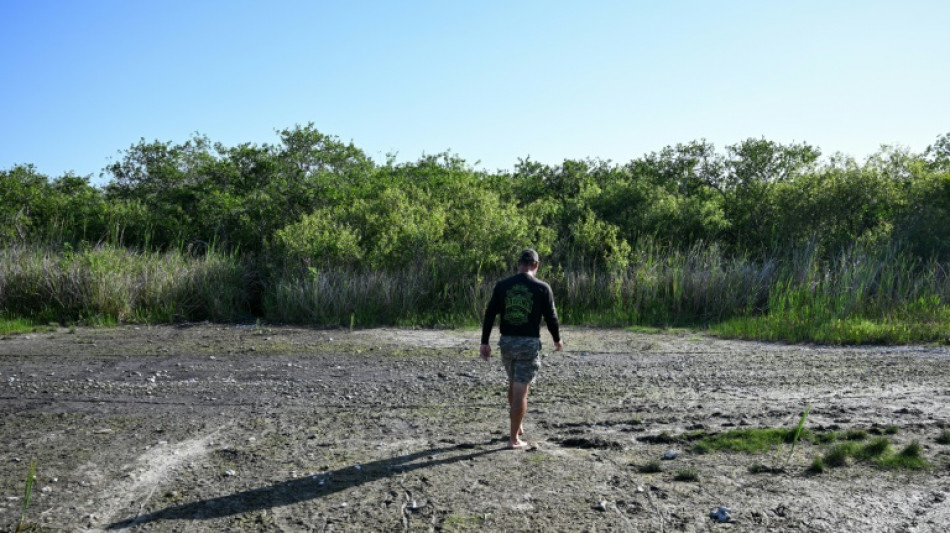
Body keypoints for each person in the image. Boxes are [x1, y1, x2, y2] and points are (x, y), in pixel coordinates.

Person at [480, 249, 563, 450]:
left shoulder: (502, 286)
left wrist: (484, 342)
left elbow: (490, 314)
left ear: (518, 264)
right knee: (520, 391)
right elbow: (551, 317)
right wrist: (557, 339)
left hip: (506, 342)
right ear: (536, 265)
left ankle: (518, 424)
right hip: (528, 343)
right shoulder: (543, 288)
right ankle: (513, 439)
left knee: (513, 384)